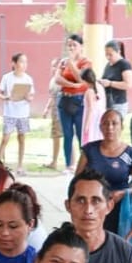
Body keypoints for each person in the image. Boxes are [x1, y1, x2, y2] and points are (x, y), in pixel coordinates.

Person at [65, 171, 132, 263]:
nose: (88, 210)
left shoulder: (127, 255)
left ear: (109, 206)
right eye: (80, 200)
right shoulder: (53, 253)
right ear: (68, 206)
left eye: (96, 201)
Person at [75, 109, 132, 239]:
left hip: (120, 209)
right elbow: (76, 181)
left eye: (114, 123)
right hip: (92, 208)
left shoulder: (131, 154)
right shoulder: (89, 150)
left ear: (122, 127)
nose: (110, 127)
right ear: (100, 126)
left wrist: (124, 193)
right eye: (105, 123)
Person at [52, 35, 93, 171]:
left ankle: (84, 165)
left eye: (74, 45)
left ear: (81, 46)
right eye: (69, 45)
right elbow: (57, 78)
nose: (71, 48)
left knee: (81, 135)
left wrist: (72, 65)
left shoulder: (85, 62)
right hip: (65, 99)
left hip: (80, 101)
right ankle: (69, 165)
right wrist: (71, 85)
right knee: (67, 134)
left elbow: (81, 78)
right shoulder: (63, 62)